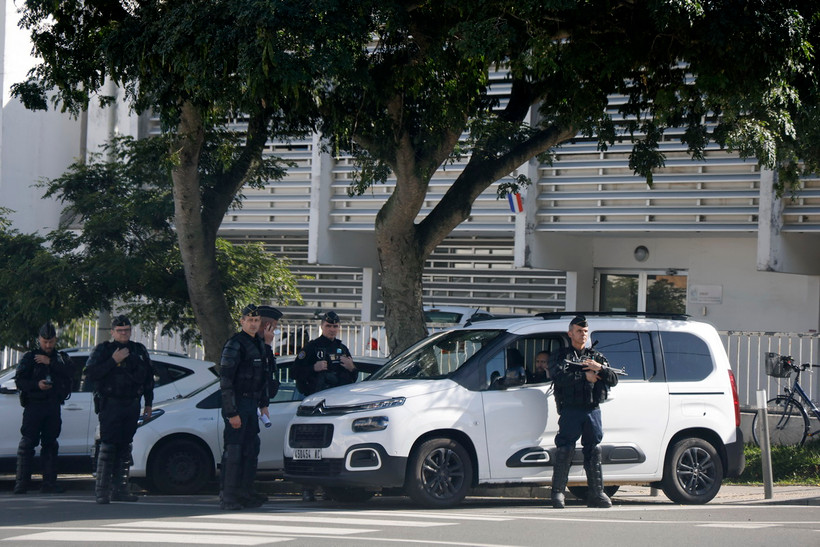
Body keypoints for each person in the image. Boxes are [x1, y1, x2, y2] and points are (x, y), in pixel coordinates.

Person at [548, 315, 618, 509]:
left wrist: (600, 369)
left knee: (594, 450)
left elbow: (613, 379)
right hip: (571, 409)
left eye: (585, 331)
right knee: (565, 449)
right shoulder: (561, 355)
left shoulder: (596, 357)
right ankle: (558, 492)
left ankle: (596, 493)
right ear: (570, 333)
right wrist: (584, 377)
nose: (583, 334)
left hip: (592, 409)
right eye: (579, 331)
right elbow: (558, 376)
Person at [85, 315, 154, 504]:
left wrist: (149, 403)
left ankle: (120, 489)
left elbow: (148, 378)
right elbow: (90, 374)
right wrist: (113, 360)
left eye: (127, 330)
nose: (124, 333)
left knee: (125, 447)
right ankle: (102, 491)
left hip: (131, 403)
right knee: (108, 446)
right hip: (110, 403)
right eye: (120, 330)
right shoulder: (103, 350)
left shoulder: (138, 350)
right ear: (113, 332)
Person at [292, 310, 357, 501]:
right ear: (322, 326)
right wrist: (313, 368)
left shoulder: (342, 349)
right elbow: (295, 371)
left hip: (338, 406)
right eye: (328, 326)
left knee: (332, 448)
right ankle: (308, 488)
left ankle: (330, 488)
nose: (332, 329)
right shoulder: (312, 348)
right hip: (316, 405)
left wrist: (352, 368)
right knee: (310, 447)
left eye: (335, 326)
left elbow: (352, 378)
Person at [219, 304, 271, 510]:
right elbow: (226, 381)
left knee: (251, 449)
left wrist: (264, 404)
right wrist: (231, 412)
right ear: (242, 322)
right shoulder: (235, 344)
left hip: (252, 404)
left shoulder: (258, 343)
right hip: (238, 402)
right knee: (234, 451)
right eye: (250, 320)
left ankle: (245, 493)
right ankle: (229, 496)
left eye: (256, 321)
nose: (253, 324)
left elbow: (264, 376)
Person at [13, 323, 74, 494]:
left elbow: (71, 373)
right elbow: (19, 381)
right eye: (45, 342)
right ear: (39, 340)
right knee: (27, 443)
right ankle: (22, 483)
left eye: (51, 342)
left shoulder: (61, 358)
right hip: (34, 405)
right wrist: (36, 385)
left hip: (53, 405)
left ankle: (49, 483)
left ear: (55, 340)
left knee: (50, 444)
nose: (48, 345)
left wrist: (50, 363)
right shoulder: (30, 358)